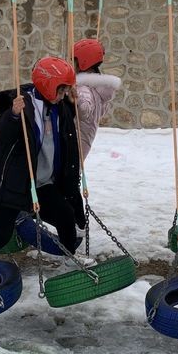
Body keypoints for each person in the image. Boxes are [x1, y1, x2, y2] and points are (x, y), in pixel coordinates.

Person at [0, 56, 88, 301]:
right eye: (61, 89)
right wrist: (12, 115)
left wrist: (71, 105)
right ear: (48, 84)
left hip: (42, 183)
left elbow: (67, 134)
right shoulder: (22, 106)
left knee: (64, 213)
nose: (63, 94)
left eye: (66, 90)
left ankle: (69, 257)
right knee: (0, 234)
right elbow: (2, 137)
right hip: (14, 184)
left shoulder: (59, 106)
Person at [67, 39, 121, 235]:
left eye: (73, 60)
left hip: (75, 143)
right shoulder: (100, 87)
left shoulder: (83, 89)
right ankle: (77, 226)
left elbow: (85, 109)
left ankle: (77, 227)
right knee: (69, 184)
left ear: (82, 62)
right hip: (83, 142)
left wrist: (75, 99)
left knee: (65, 187)